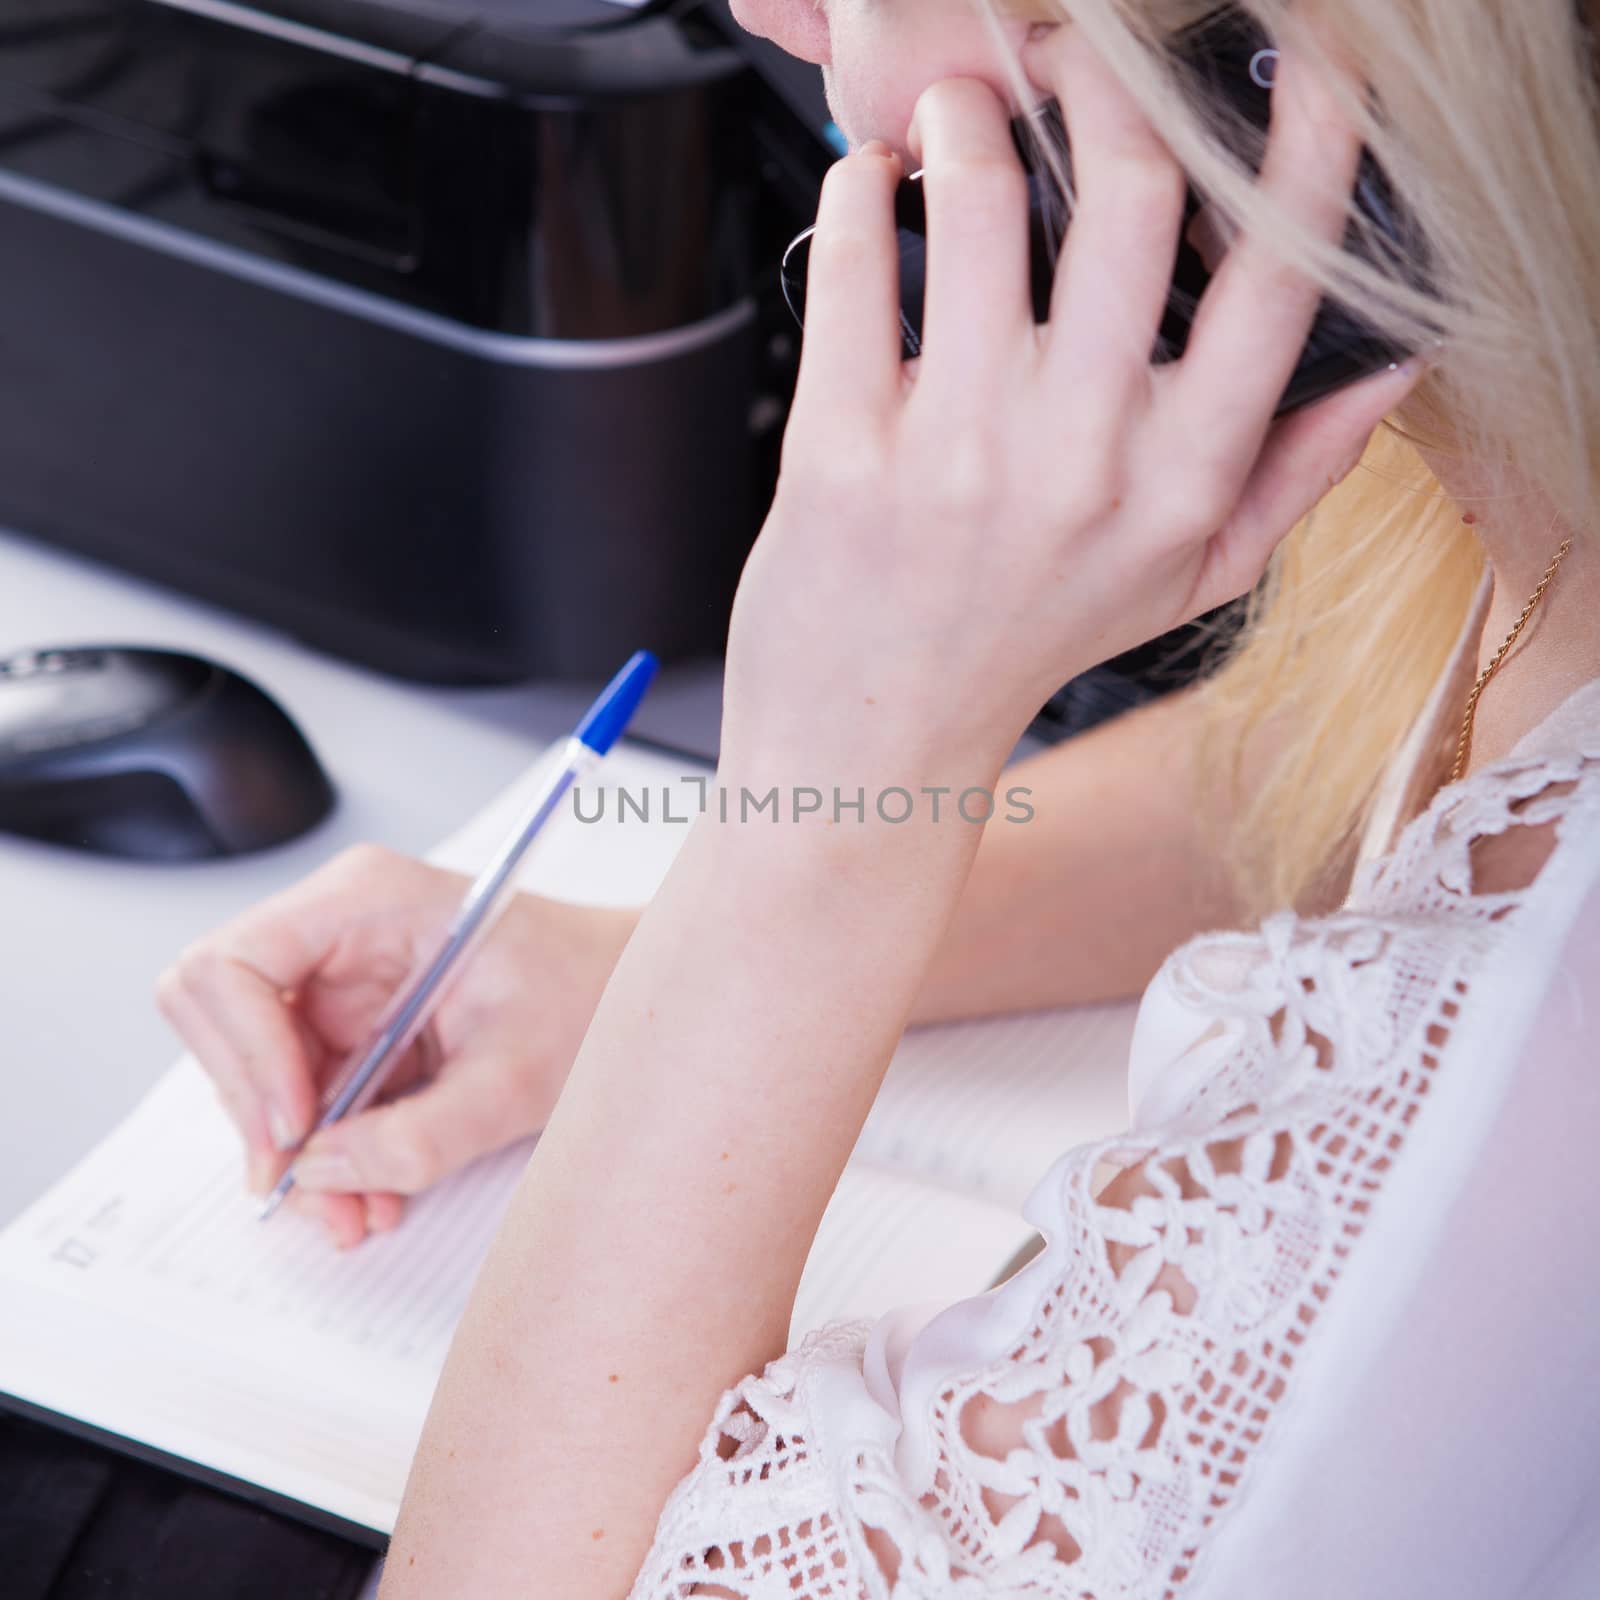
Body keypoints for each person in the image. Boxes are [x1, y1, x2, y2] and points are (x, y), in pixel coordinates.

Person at [157, 0, 1600, 1594]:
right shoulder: (1532, 527)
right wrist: (621, 971)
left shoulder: (1481, 1097)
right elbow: (1331, 760)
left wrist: (824, 791)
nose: (762, 13)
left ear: (1287, 61)